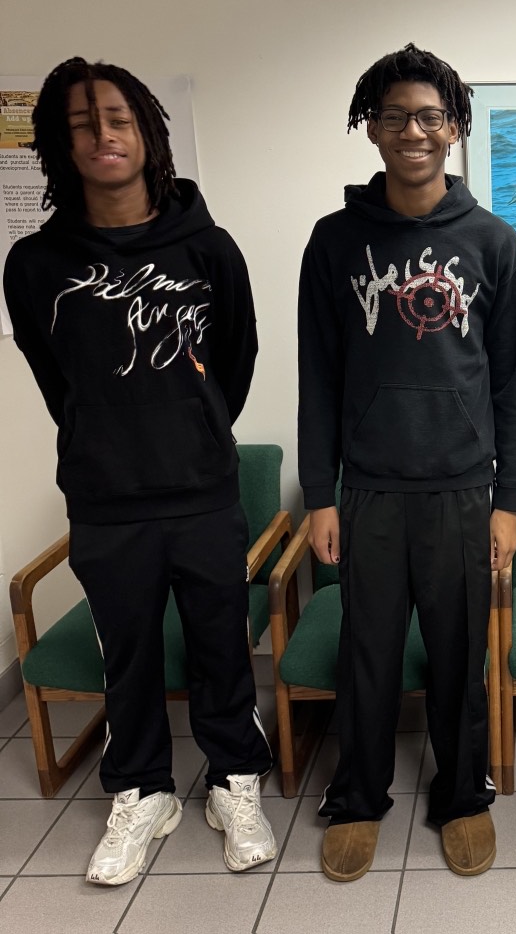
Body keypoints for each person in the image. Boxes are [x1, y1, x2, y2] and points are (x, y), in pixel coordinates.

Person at [3, 57, 274, 885]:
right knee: (128, 656)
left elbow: (237, 354)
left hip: (201, 492)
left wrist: (191, 429)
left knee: (221, 648)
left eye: (118, 119)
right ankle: (143, 791)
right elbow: (58, 382)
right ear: (60, 141)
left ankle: (234, 782)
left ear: (147, 132)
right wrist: (106, 438)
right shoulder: (33, 263)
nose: (103, 136)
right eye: (83, 123)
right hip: (106, 499)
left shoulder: (209, 248)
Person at [298, 43, 516, 881]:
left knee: (458, 653)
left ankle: (462, 795)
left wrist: (510, 500)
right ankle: (357, 797)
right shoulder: (333, 243)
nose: (412, 130)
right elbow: (317, 378)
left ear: (454, 128)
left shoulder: (493, 242)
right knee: (365, 652)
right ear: (371, 128)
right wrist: (319, 496)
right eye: (394, 115)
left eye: (429, 116)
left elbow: (512, 383)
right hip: (366, 492)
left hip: (464, 490)